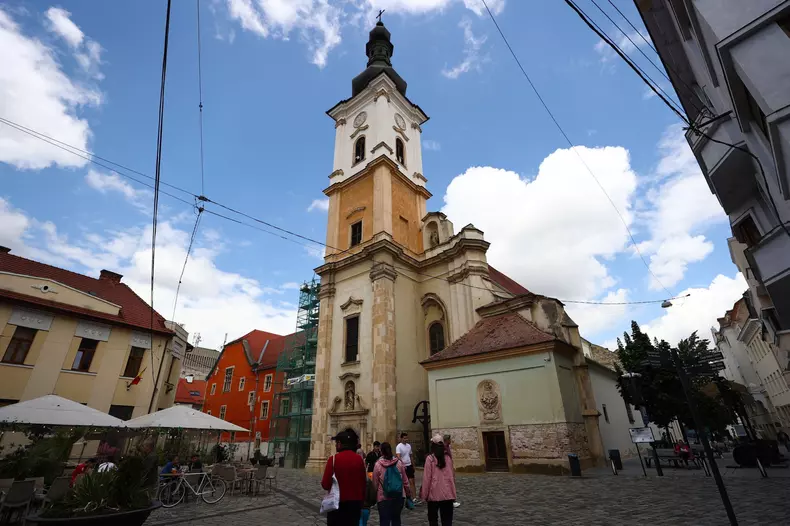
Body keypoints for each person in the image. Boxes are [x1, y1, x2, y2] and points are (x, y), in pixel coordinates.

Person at [321, 429, 366, 526]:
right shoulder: (359, 460)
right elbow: (363, 483)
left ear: (340, 444)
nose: (335, 445)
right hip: (355, 505)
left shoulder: (333, 460)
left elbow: (325, 484)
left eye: (336, 443)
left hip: (337, 505)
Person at [420, 435, 457, 526]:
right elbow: (451, 476)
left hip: (433, 495)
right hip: (447, 495)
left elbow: (426, 479)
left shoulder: (430, 459)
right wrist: (453, 493)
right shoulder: (448, 458)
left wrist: (424, 495)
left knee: (433, 521)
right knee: (447, 521)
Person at [373, 442, 411, 526]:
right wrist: (408, 494)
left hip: (383, 498)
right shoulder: (399, 463)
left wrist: (374, 496)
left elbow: (375, 483)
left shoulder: (378, 465)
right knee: (396, 520)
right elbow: (405, 481)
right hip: (398, 496)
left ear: (381, 452)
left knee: (384, 521)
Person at [395, 433, 418, 504]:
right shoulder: (399, 446)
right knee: (404, 483)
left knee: (412, 481)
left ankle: (414, 498)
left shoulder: (409, 446)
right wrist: (402, 464)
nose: (406, 439)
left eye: (406, 438)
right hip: (403, 466)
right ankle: (404, 497)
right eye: (404, 438)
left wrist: (413, 465)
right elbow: (398, 456)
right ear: (401, 438)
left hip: (409, 465)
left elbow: (411, 456)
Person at [443, 434, 460, 509]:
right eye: (450, 439)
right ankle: (452, 500)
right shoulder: (443, 448)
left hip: (449, 467)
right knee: (449, 484)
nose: (450, 441)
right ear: (447, 440)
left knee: (451, 483)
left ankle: (451, 499)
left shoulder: (448, 447)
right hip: (446, 469)